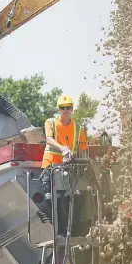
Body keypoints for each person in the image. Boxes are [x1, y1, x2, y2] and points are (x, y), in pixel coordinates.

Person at [40, 94, 88, 234]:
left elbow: (83, 150)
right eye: (62, 107)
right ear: (59, 109)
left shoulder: (78, 128)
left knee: (72, 198)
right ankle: (56, 230)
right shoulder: (51, 122)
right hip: (50, 167)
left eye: (68, 107)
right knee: (50, 198)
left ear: (72, 109)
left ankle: (72, 230)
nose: (65, 110)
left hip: (68, 170)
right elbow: (48, 139)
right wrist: (63, 149)